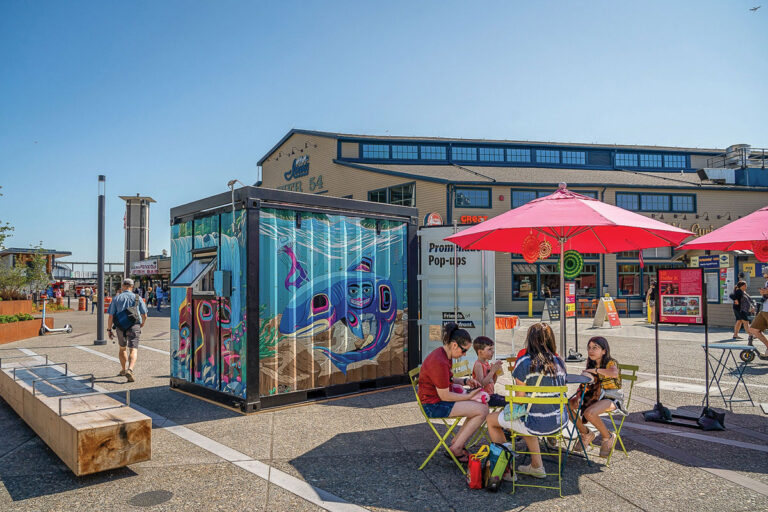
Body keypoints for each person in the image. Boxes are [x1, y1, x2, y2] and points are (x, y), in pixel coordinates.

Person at [486, 323, 568, 480]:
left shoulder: (524, 363)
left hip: (535, 422)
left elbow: (519, 399)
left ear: (529, 340)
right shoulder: (560, 362)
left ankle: (506, 468)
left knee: (491, 419)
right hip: (559, 421)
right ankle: (537, 466)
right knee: (530, 415)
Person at [418, 322, 488, 463]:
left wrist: (464, 382)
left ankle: (456, 444)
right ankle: (456, 448)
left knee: (478, 409)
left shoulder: (443, 354)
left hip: (436, 400)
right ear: (454, 345)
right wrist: (468, 396)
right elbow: (445, 395)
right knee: (482, 410)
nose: (464, 354)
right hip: (433, 405)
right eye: (464, 351)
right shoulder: (439, 361)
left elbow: (447, 379)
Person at [568, 336, 624, 457]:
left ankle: (607, 436)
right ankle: (586, 433)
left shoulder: (611, 362)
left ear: (604, 351)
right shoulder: (591, 364)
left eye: (595, 347)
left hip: (611, 397)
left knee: (589, 413)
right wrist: (578, 396)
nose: (591, 351)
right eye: (589, 348)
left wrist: (596, 370)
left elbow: (614, 373)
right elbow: (583, 384)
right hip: (593, 396)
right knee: (565, 406)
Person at [106, 278, 148, 382]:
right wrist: (143, 322)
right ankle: (130, 369)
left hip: (120, 326)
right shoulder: (137, 297)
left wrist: (109, 329)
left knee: (122, 348)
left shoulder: (117, 298)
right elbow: (144, 314)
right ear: (132, 286)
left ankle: (123, 369)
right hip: (134, 325)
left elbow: (111, 316)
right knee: (133, 349)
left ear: (123, 286)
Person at [472, 336, 507, 407]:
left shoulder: (487, 363)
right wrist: (492, 371)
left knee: (509, 399)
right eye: (489, 349)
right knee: (509, 402)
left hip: (491, 395)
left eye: (492, 349)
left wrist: (495, 372)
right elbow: (481, 384)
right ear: (480, 352)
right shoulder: (478, 365)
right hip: (483, 397)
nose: (493, 351)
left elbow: (492, 382)